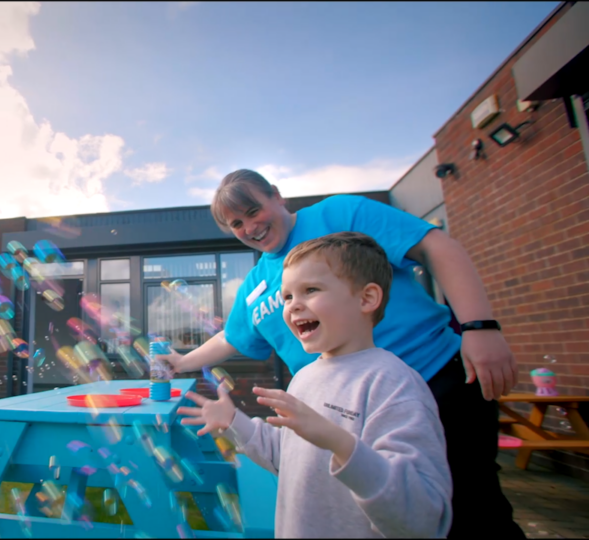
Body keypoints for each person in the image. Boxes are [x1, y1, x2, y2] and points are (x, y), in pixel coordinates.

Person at [160, 169, 523, 538]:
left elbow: (435, 246)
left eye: (253, 210)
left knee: (466, 511)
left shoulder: (339, 216)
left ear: (277, 195)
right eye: (237, 223)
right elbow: (233, 337)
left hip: (435, 381)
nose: (249, 226)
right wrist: (183, 362)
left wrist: (480, 327)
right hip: (339, 414)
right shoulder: (255, 284)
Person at [179, 232, 452, 538]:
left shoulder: (393, 385)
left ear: (367, 298)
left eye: (310, 290)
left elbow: (423, 520)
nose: (293, 306)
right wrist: (233, 422)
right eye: (287, 296)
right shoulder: (306, 377)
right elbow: (290, 457)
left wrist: (340, 443)